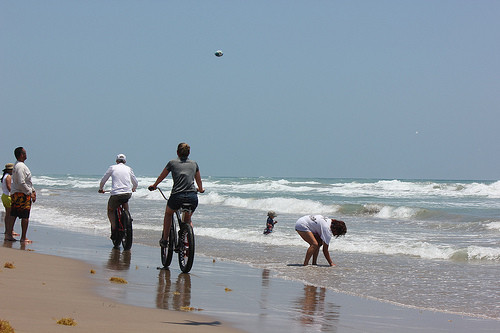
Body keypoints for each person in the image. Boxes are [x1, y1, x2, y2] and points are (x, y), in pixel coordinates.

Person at [148, 143, 204, 248]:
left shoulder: (172, 163)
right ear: (189, 153)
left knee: (169, 213)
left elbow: (162, 176)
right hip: (192, 197)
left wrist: (154, 185)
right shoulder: (194, 164)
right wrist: (201, 189)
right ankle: (188, 238)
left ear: (177, 152)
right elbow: (199, 180)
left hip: (177, 196)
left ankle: (164, 240)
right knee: (187, 219)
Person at [98, 154, 138, 241]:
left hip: (116, 194)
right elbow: (135, 182)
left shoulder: (112, 168)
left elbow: (103, 179)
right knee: (125, 201)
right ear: (125, 161)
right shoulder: (129, 168)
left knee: (110, 210)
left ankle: (115, 228)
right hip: (127, 193)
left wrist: (101, 189)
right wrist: (134, 188)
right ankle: (128, 218)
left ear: (116, 161)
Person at [5, 147, 36, 243]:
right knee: (25, 216)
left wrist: (33, 190)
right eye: (25, 153)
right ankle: (23, 237)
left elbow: (27, 181)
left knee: (13, 214)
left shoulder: (19, 166)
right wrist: (30, 192)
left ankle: (9, 235)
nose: (26, 154)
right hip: (21, 194)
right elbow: (21, 182)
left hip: (19, 193)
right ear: (22, 155)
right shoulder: (20, 167)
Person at [2, 163, 14, 235]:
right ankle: (10, 231)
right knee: (10, 215)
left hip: (4, 196)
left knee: (7, 214)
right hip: (8, 197)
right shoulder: (9, 176)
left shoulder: (4, 176)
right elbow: (9, 187)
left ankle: (7, 230)